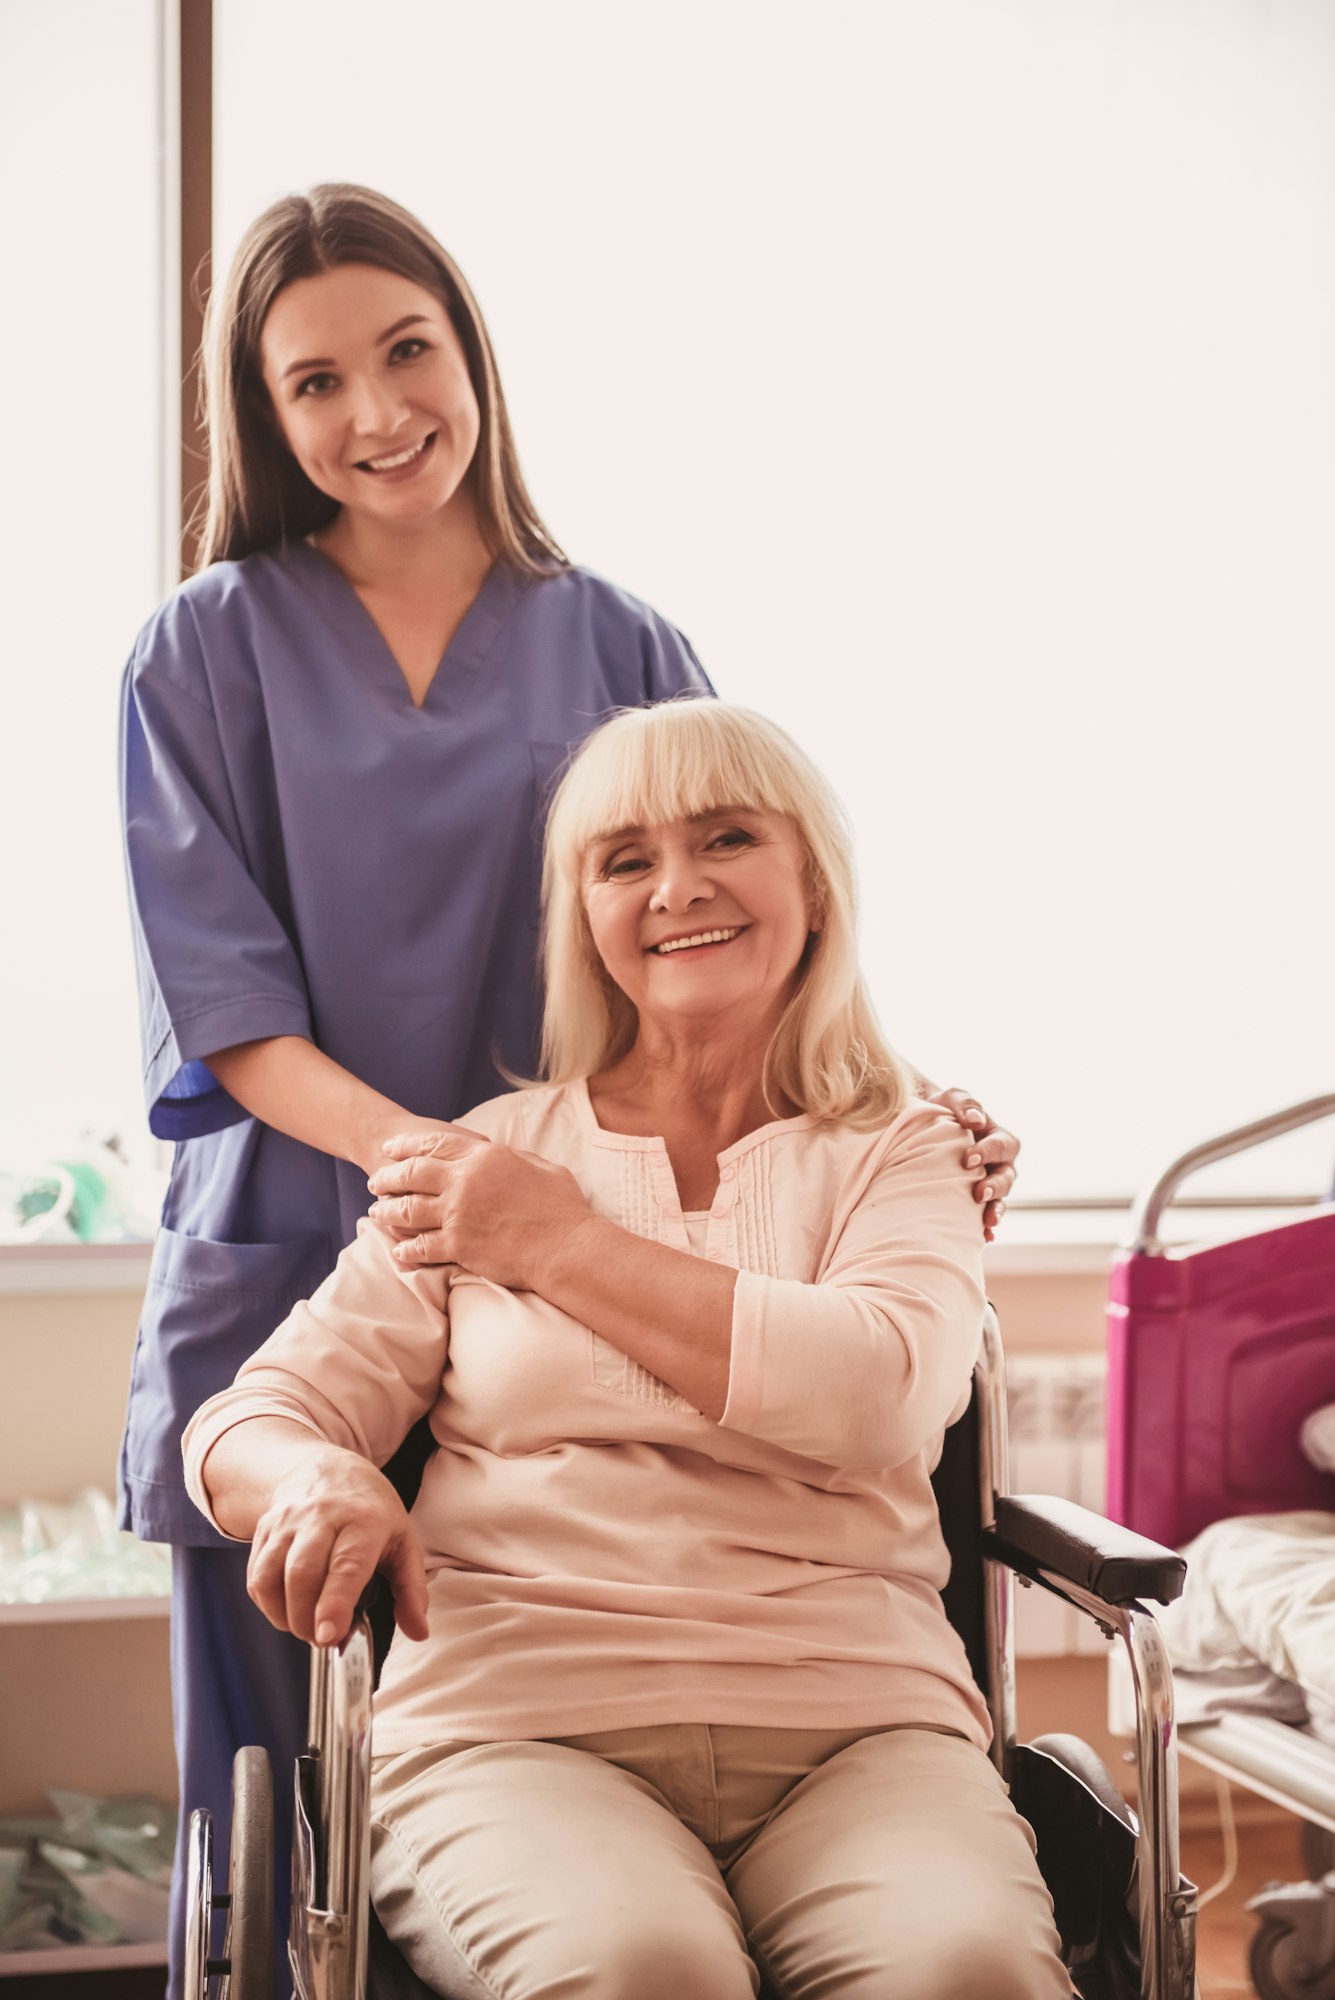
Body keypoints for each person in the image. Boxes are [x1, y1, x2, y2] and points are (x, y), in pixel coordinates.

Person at [119, 184, 1018, 1995]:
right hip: (322, 1234)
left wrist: (901, 1107)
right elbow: (223, 1009)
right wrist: (483, 1196)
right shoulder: (203, 648)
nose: (376, 413)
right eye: (314, 383)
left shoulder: (618, 641)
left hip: (581, 1205)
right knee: (298, 1839)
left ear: (474, 360)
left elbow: (728, 903)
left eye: (408, 351)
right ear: (260, 419)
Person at [182, 700, 1065, 2000]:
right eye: (625, 860)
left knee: (968, 1972)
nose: (679, 888)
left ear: (812, 881)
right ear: (585, 915)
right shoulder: (494, 1153)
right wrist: (313, 1476)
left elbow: (880, 1397)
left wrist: (553, 1247)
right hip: (518, 1726)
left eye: (726, 839)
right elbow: (249, 1421)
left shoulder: (908, 1148)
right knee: (643, 1970)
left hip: (858, 1726)